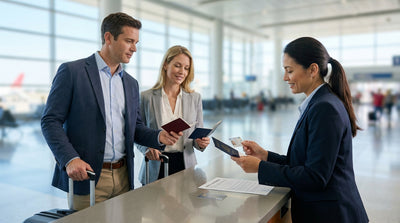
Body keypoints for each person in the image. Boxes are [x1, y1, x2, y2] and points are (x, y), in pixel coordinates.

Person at [41, 12, 182, 210]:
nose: (134, 48)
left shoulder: (131, 83)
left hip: (124, 176)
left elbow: (135, 128)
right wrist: (70, 159)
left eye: (136, 43)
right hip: (88, 177)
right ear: (108, 38)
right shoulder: (73, 72)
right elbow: (50, 121)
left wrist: (160, 136)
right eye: (129, 41)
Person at [231, 37, 368, 223]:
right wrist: (265, 156)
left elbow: (315, 176)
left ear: (313, 69)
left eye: (290, 71)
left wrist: (260, 168)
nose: (285, 77)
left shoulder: (324, 108)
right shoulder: (320, 103)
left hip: (332, 215)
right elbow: (305, 163)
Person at [137, 45, 210, 185]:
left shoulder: (195, 98)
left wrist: (201, 143)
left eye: (186, 68)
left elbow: (197, 136)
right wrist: (146, 148)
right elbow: (137, 133)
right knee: (154, 206)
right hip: (156, 165)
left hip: (185, 165)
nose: (182, 71)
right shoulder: (146, 97)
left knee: (185, 207)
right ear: (165, 65)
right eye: (177, 66)